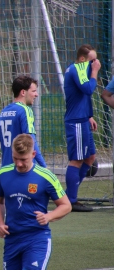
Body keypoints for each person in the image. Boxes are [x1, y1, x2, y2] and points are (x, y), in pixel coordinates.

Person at [0, 134, 72, 270]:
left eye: (23, 159)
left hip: (37, 238)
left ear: (33, 154)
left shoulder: (46, 177)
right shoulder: (3, 174)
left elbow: (66, 205)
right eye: (15, 158)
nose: (19, 164)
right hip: (12, 239)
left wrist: (49, 216)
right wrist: (0, 224)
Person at [63, 44, 101, 212]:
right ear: (82, 59)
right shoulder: (77, 68)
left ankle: (69, 194)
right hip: (76, 122)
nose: (96, 63)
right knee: (77, 160)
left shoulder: (79, 69)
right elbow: (87, 89)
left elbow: (82, 95)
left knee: (90, 157)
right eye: (92, 60)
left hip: (82, 119)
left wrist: (89, 116)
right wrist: (94, 72)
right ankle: (70, 200)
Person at [0, 75, 46, 167]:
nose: (36, 94)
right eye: (33, 91)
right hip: (22, 167)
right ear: (23, 92)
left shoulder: (3, 112)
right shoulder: (25, 110)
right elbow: (31, 140)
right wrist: (44, 166)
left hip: (5, 167)